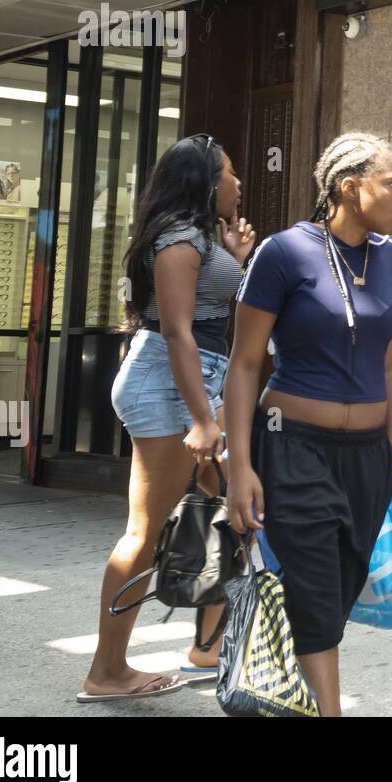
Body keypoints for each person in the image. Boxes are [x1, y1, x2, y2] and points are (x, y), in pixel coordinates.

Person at [225, 132, 392, 718]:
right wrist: (239, 468)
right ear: (348, 187)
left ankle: (302, 699)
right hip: (294, 446)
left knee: (336, 592)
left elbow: (390, 363)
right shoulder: (283, 253)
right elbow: (245, 363)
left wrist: (389, 455)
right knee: (312, 586)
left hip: (366, 459)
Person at [80, 133, 254, 702]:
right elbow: (178, 330)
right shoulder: (179, 240)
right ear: (205, 183)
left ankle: (208, 645)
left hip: (197, 377)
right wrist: (203, 420)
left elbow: (208, 311)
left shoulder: (203, 237)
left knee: (229, 507)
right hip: (168, 381)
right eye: (229, 173)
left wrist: (237, 258)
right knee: (146, 530)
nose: (237, 182)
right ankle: (107, 671)